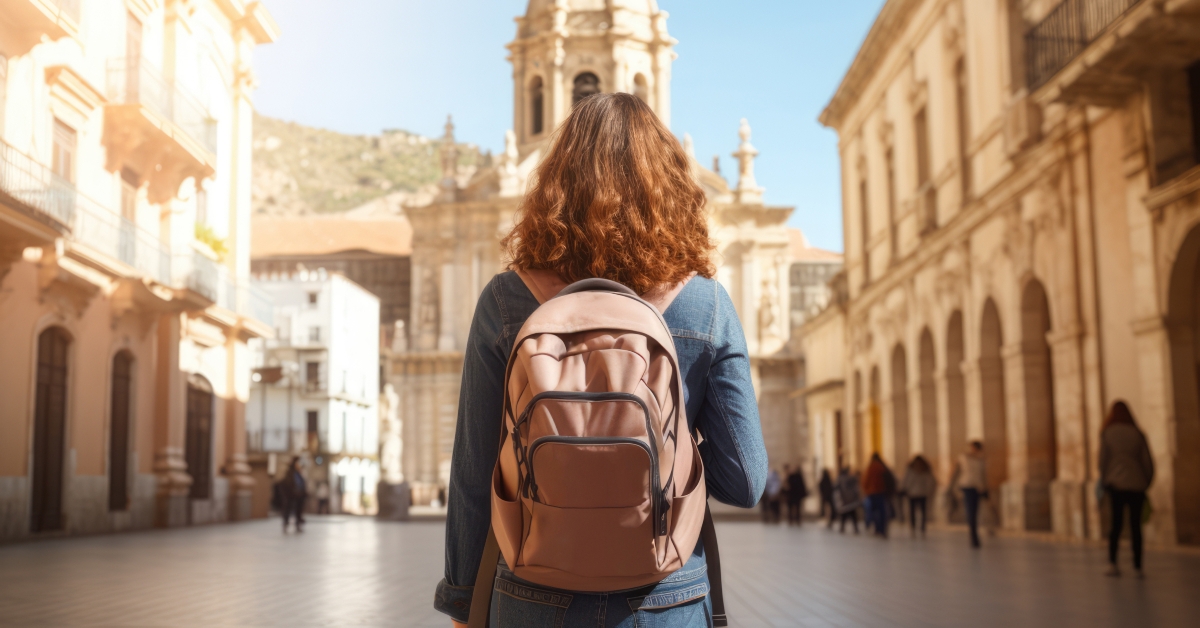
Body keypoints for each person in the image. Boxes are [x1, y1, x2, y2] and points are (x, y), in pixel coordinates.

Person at [434, 93, 768, 628]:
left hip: (530, 593)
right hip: (667, 596)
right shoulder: (706, 303)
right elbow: (745, 482)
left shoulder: (504, 299)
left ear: (552, 186)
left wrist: (460, 602)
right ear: (674, 188)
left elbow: (474, 475)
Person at [1100, 400, 1154, 578]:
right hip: (1137, 484)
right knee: (1136, 526)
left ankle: (1112, 563)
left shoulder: (1107, 433)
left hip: (1116, 485)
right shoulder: (1137, 434)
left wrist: (1105, 479)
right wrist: (1146, 481)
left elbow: (1102, 461)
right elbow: (1147, 461)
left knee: (1115, 525)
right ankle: (1138, 566)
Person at [952, 441, 987, 548]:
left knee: (975, 512)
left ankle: (974, 535)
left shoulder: (981, 460)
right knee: (971, 511)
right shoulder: (964, 458)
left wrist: (985, 488)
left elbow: (983, 475)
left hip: (978, 488)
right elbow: (957, 471)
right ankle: (973, 536)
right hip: (967, 486)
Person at [901, 455, 937, 536]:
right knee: (922, 512)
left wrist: (904, 488)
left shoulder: (911, 469)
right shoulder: (926, 470)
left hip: (913, 493)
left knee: (913, 512)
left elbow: (907, 480)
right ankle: (922, 528)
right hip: (922, 493)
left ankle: (914, 527)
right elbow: (931, 482)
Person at [862, 453, 891, 538]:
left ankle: (877, 528)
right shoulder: (882, 467)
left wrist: (866, 490)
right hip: (881, 492)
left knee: (874, 512)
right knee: (882, 512)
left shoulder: (870, 467)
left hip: (872, 493)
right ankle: (882, 529)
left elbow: (865, 480)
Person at [281, 457, 307, 533]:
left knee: (298, 511)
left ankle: (298, 524)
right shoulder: (290, 473)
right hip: (291, 496)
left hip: (299, 496)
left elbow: (302, 484)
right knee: (288, 510)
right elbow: (286, 484)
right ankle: (286, 523)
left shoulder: (299, 474)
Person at [835, 466, 862, 534]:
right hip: (850, 500)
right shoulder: (850, 479)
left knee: (845, 515)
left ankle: (843, 527)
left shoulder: (840, 479)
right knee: (852, 515)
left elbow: (837, 490)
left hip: (845, 500)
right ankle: (855, 528)